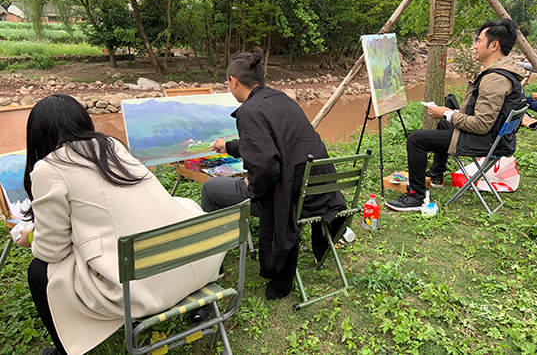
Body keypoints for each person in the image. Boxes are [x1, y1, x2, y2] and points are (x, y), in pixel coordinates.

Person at [16, 94, 224, 355]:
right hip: (199, 261)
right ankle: (200, 306)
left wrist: (31, 238)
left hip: (143, 289)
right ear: (83, 121)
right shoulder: (112, 146)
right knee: (181, 204)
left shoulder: (49, 168)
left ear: (36, 135)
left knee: (38, 271)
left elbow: (53, 251)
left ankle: (63, 351)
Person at [200, 48, 346, 300]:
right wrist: (229, 147)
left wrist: (253, 185)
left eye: (228, 83)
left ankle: (213, 264)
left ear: (234, 82)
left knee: (210, 190)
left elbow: (267, 165)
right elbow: (271, 143)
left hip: (289, 198)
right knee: (241, 183)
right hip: (318, 193)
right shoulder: (282, 99)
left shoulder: (248, 111)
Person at [386, 18, 527, 211]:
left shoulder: (495, 79)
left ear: (494, 45)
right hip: (495, 137)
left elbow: (481, 125)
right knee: (444, 124)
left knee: (416, 139)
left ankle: (416, 197)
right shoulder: (501, 72)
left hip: (486, 141)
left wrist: (447, 113)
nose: (474, 46)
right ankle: (436, 175)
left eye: (478, 41)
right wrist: (448, 115)